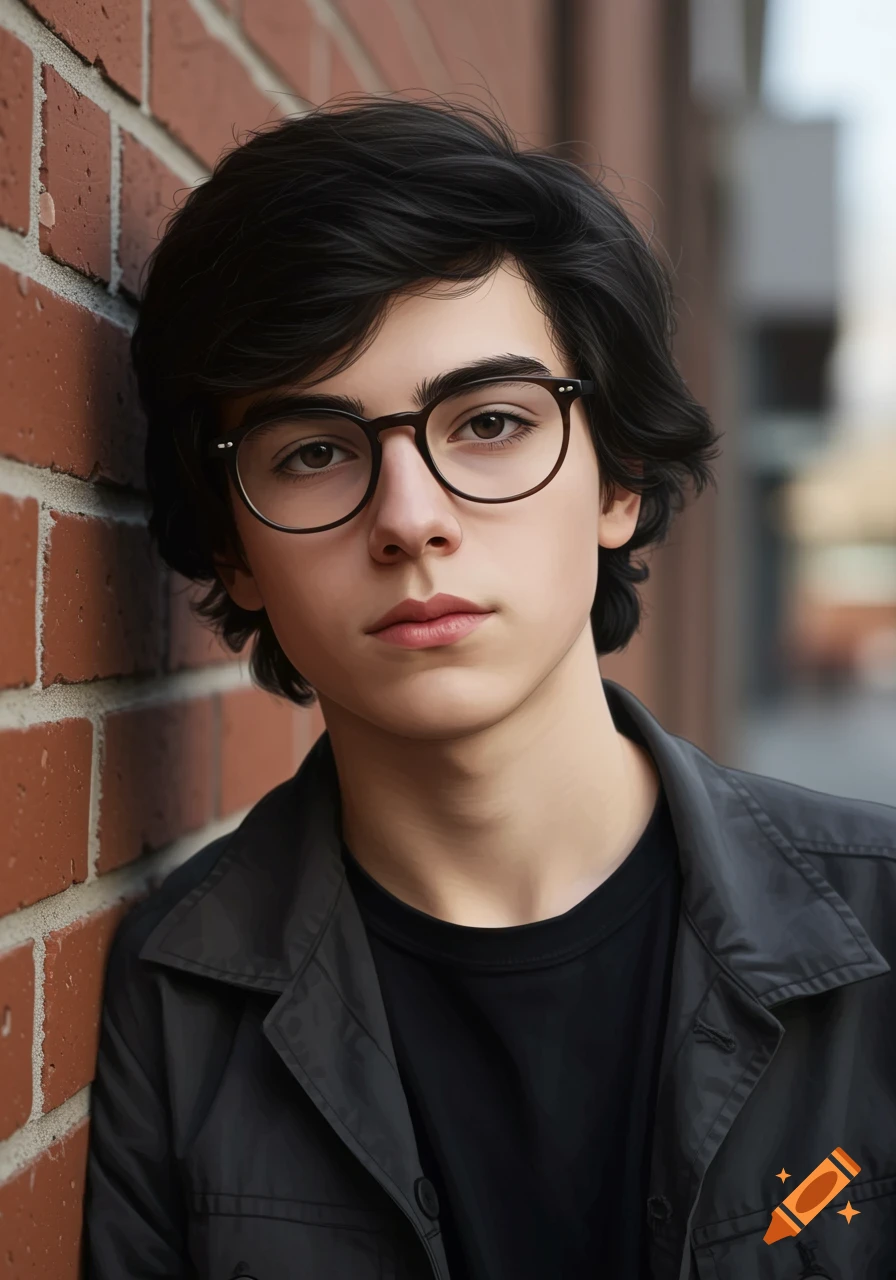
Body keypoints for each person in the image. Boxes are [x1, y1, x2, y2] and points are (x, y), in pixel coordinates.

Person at [83, 97, 896, 1280]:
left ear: (614, 479)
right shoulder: (178, 999)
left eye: (492, 422)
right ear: (234, 554)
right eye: (313, 450)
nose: (410, 518)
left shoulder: (878, 926)